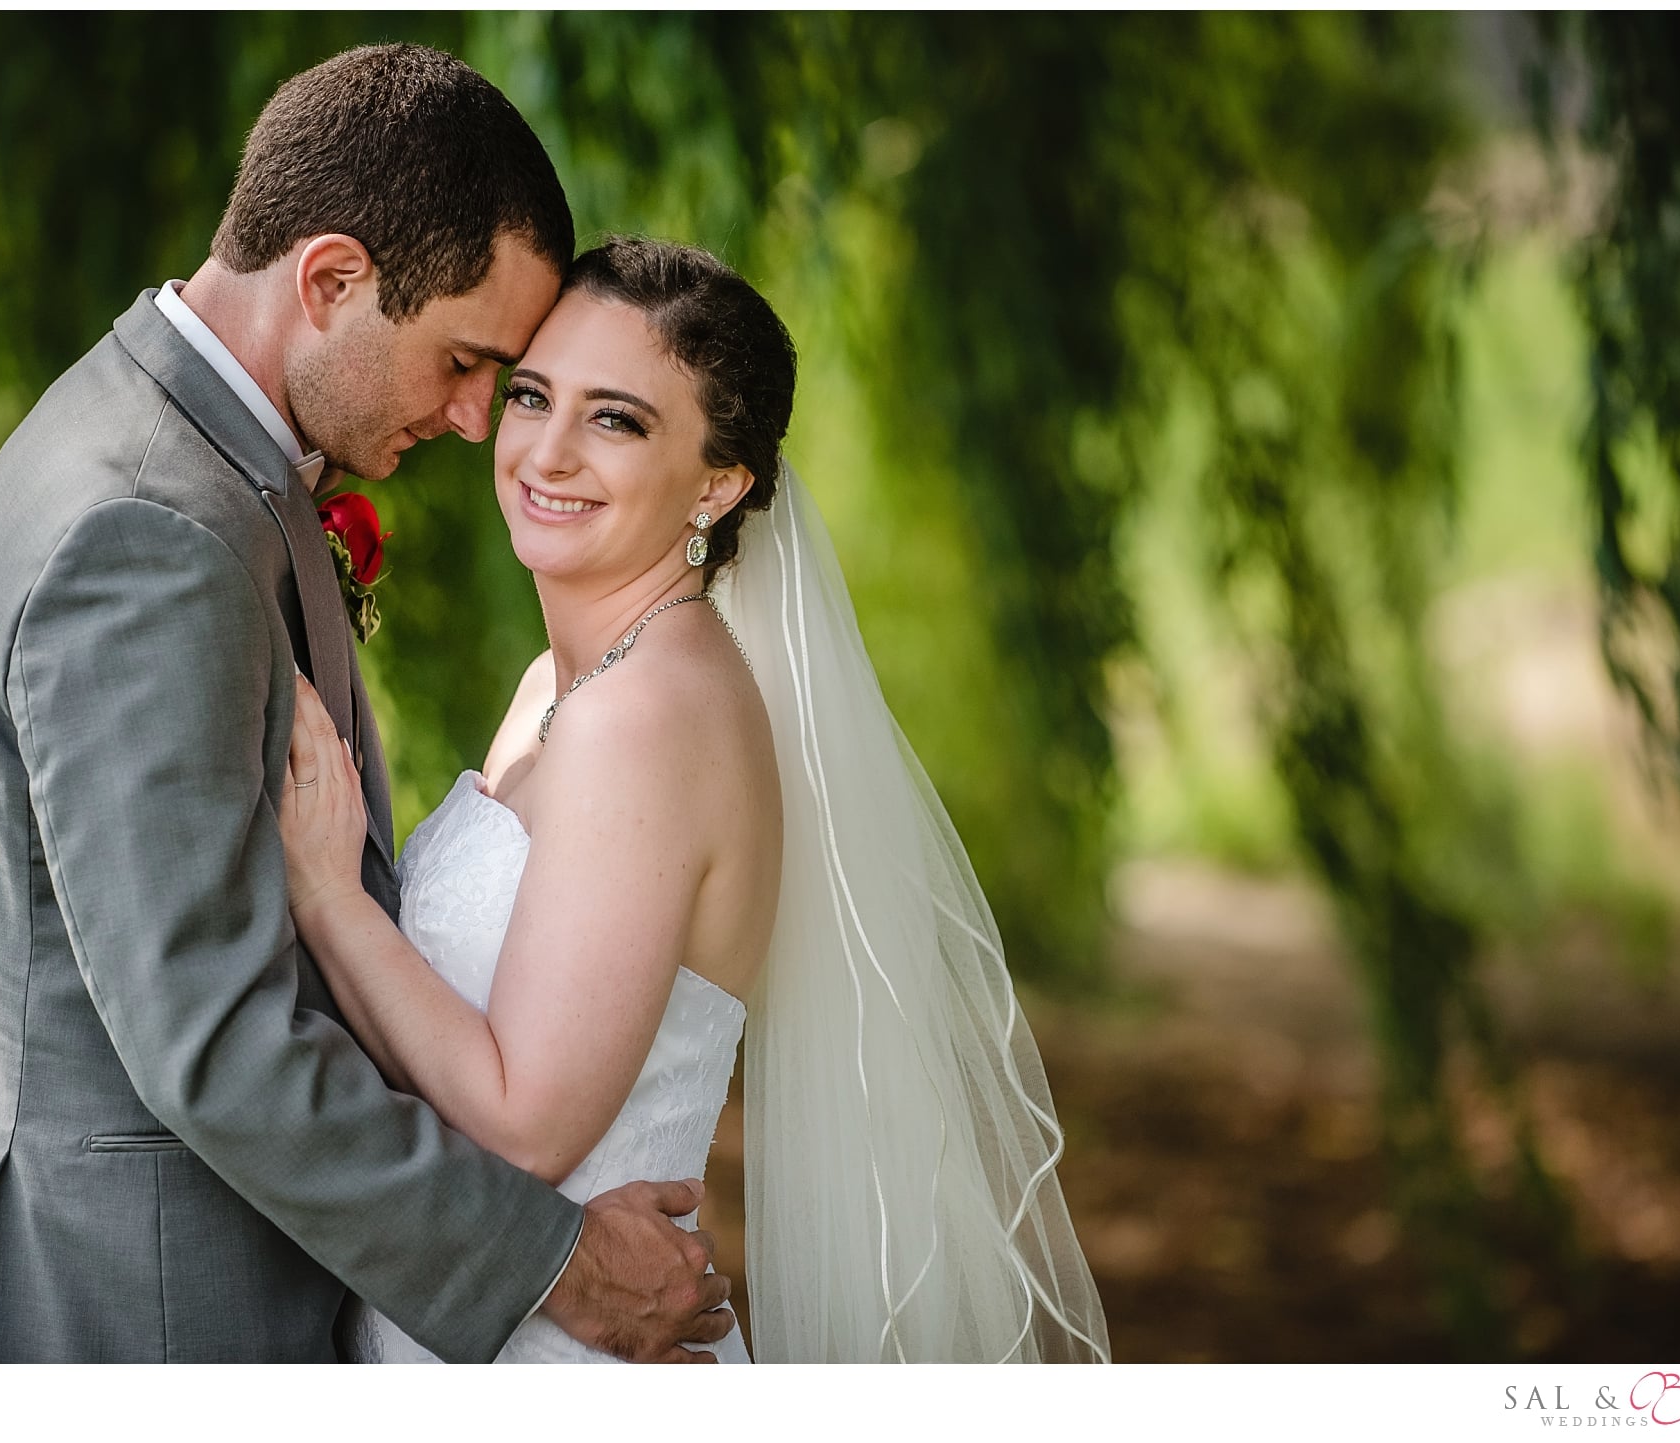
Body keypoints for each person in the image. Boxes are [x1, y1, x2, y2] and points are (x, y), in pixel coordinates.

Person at [0, 45, 732, 1364]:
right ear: (333, 278)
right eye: (468, 361)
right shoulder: (149, 530)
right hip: (128, 1315)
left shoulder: (182, 464)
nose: (479, 423)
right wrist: (555, 1262)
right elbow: (217, 1038)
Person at [280, 237, 1114, 1362]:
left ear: (718, 484)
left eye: (615, 419)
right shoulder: (560, 690)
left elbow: (524, 1120)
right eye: (531, 394)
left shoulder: (654, 717)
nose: (547, 450)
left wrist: (330, 898)